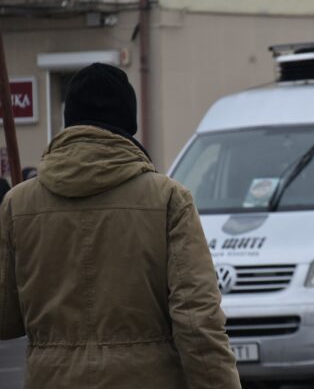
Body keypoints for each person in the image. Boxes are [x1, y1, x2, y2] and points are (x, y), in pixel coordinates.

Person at [0, 63, 241, 389]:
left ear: (69, 123)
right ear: (128, 125)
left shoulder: (18, 204)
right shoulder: (168, 199)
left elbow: (6, 319)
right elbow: (197, 319)